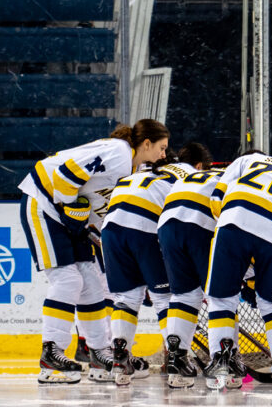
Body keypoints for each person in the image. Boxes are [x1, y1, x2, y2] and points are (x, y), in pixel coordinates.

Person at [18, 120, 170, 384]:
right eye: (162, 147)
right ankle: (50, 353)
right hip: (42, 203)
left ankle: (99, 353)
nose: (163, 155)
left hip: (67, 216)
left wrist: (135, 270)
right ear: (146, 143)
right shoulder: (119, 151)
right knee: (67, 279)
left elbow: (99, 225)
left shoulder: (129, 173)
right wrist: (68, 208)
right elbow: (65, 173)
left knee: (90, 281)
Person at [204, 143, 272, 390]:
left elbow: (216, 197)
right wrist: (265, 275)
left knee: (222, 299)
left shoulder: (251, 160)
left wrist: (239, 249)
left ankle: (222, 360)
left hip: (235, 219)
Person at [100, 143, 208, 384]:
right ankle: (175, 360)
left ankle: (120, 359)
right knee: (166, 297)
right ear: (199, 165)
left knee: (126, 298)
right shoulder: (192, 174)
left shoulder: (142, 173)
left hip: (110, 228)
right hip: (145, 226)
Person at [157, 142, 218, 388]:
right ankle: (221, 364)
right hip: (199, 224)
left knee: (184, 296)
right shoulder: (226, 177)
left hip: (167, 226)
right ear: (201, 165)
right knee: (220, 297)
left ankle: (176, 362)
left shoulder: (182, 179)